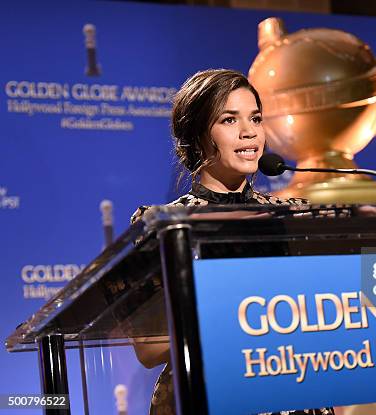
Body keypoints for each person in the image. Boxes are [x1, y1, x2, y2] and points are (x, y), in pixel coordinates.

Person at [130, 69, 334, 415]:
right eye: (229, 120)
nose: (249, 132)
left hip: (295, 393)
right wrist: (247, 309)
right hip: (209, 396)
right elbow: (149, 349)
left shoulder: (292, 217)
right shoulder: (162, 224)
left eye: (256, 118)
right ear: (196, 136)